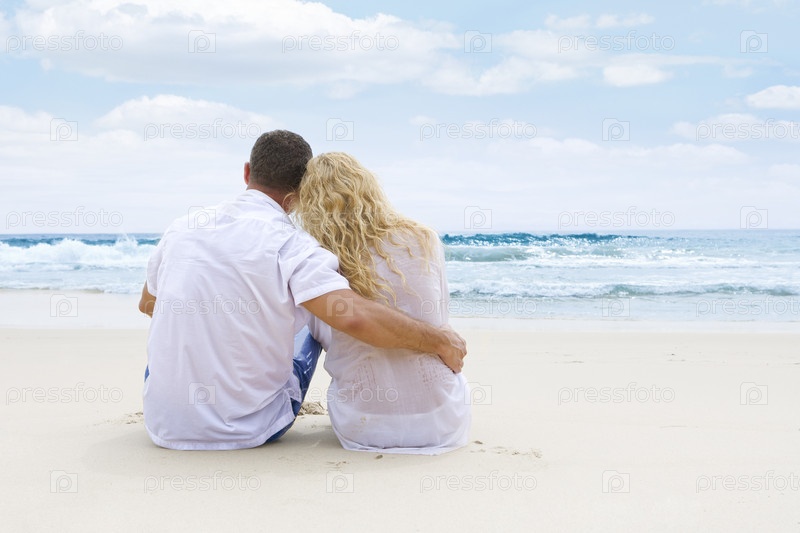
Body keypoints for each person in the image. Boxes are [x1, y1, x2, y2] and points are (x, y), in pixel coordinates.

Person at [138, 130, 466, 451]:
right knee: (311, 313)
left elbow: (149, 304)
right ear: (301, 190)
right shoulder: (293, 245)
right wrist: (438, 341)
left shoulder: (182, 228)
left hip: (164, 423)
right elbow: (352, 317)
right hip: (254, 427)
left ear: (247, 172)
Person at [294, 152, 471, 454]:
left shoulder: (318, 260)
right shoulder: (423, 238)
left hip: (364, 425)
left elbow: (326, 333)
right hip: (441, 420)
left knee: (308, 327)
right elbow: (440, 316)